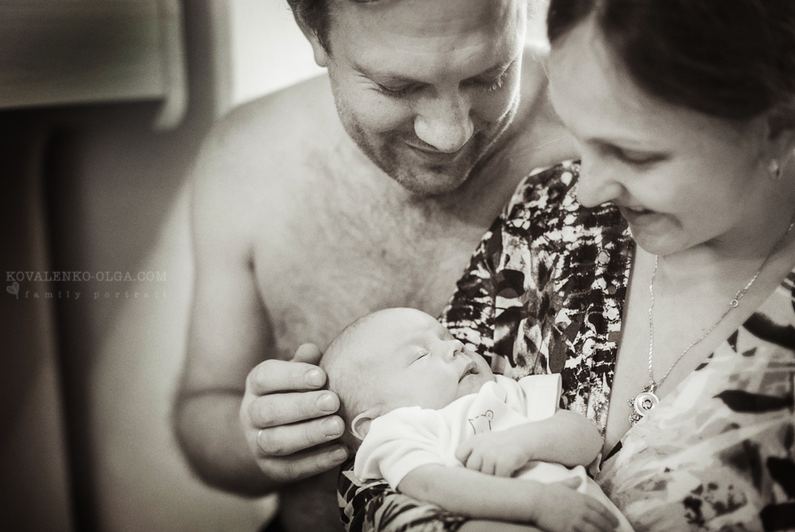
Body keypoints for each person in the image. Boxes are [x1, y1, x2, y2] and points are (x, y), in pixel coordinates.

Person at [338, 0, 795, 530]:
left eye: (635, 155)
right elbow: (378, 470)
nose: (589, 189)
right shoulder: (549, 210)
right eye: (579, 136)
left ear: (778, 127)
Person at [172, 0, 575, 530]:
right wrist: (257, 438)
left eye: (490, 76)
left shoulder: (609, 142)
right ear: (313, 29)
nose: (449, 134)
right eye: (397, 87)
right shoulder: (248, 159)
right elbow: (205, 408)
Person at [320, 307, 632, 532]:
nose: (456, 346)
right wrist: (537, 503)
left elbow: (587, 439)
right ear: (371, 426)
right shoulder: (400, 429)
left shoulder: (505, 391)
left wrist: (525, 441)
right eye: (420, 355)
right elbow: (431, 485)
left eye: (450, 337)